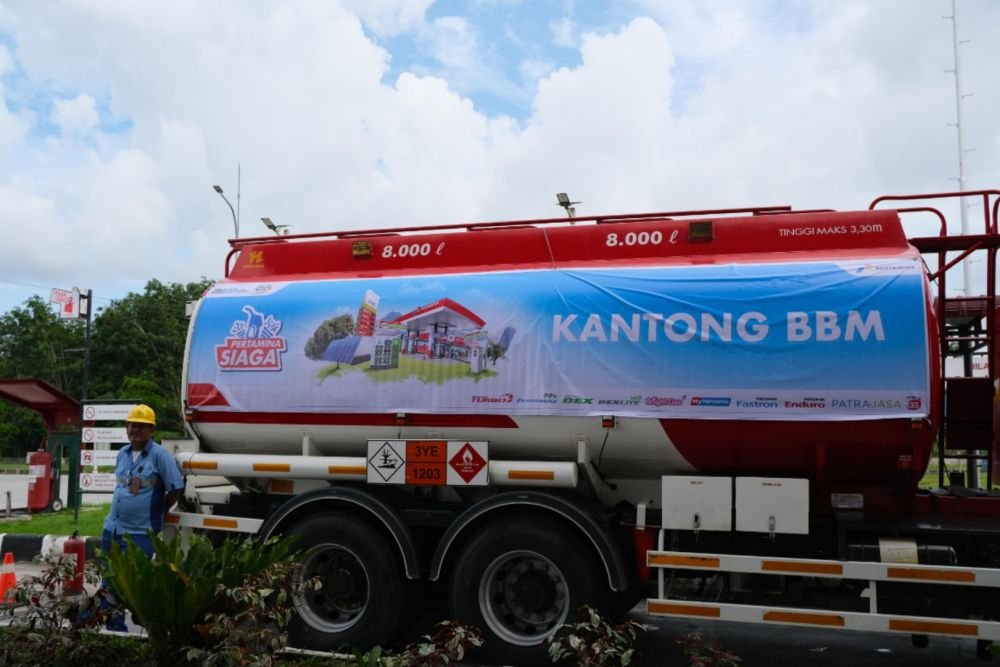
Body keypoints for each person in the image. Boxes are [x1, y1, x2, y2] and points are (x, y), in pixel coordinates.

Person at [99, 403, 184, 630]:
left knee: (136, 585)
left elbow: (176, 487)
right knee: (109, 582)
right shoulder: (122, 454)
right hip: (112, 528)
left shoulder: (160, 456)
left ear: (152, 430)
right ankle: (114, 630)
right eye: (131, 425)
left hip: (139, 532)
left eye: (141, 426)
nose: (135, 430)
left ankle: (148, 633)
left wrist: (162, 511)